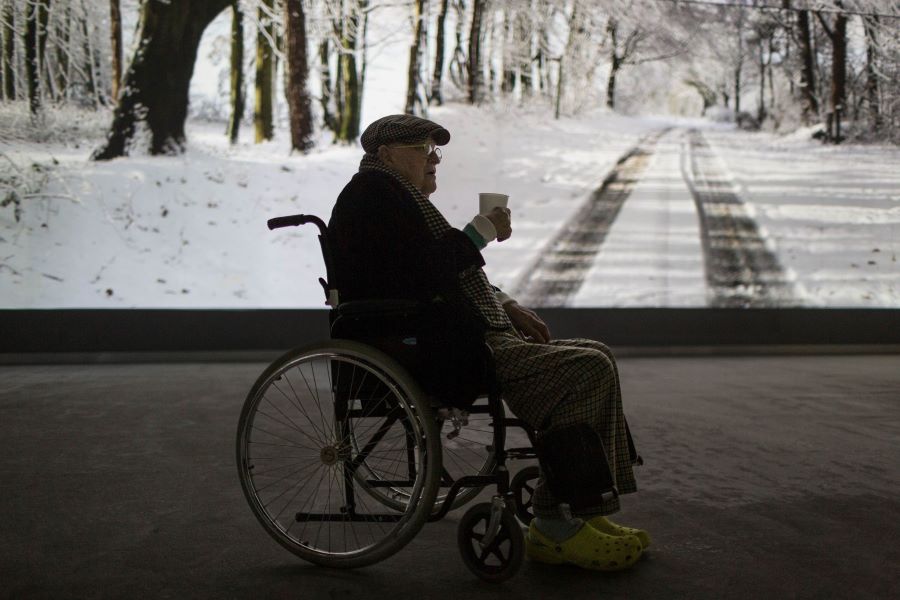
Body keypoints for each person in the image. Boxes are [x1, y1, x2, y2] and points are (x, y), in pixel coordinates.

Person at [328, 114, 648, 572]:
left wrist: (509, 304)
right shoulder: (372, 195)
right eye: (422, 147)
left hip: (455, 330)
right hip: (429, 343)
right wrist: (481, 230)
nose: (434, 157)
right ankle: (556, 522)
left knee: (595, 355)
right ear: (385, 155)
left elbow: (444, 275)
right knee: (584, 369)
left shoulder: (395, 197)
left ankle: (576, 510)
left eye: (435, 148)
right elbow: (425, 274)